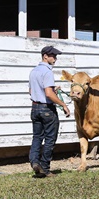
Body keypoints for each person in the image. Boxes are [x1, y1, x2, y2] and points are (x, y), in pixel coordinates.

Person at [28, 45, 70, 177]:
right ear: (45, 56)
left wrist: (53, 90)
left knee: (37, 137)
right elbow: (48, 94)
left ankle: (35, 162)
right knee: (50, 139)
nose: (55, 59)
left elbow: (31, 91)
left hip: (34, 107)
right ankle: (45, 168)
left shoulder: (33, 71)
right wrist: (63, 104)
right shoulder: (47, 72)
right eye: (53, 56)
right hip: (47, 109)